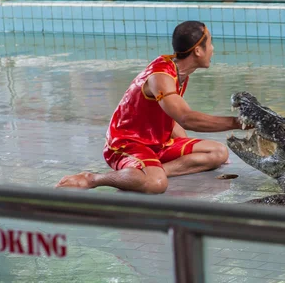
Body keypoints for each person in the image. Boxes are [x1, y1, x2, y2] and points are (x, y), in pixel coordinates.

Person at [56, 21, 243, 194]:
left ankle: (152, 171)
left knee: (218, 152)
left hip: (158, 143)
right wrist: (238, 122)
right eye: (210, 44)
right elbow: (186, 118)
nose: (213, 49)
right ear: (197, 51)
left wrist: (184, 146)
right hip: (127, 143)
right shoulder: (161, 76)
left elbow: (171, 117)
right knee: (156, 184)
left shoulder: (179, 71)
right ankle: (93, 178)